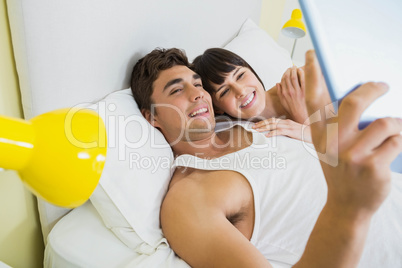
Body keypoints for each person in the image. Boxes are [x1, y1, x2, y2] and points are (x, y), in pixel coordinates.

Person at [130, 47, 402, 267]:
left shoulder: (244, 120)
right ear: (151, 116)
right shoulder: (189, 197)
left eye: (198, 84)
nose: (198, 95)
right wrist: (349, 210)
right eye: (177, 90)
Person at [192, 48, 321, 142]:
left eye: (240, 75)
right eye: (225, 91)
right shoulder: (233, 132)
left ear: (251, 70)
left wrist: (304, 120)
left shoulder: (302, 81)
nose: (241, 91)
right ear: (218, 108)